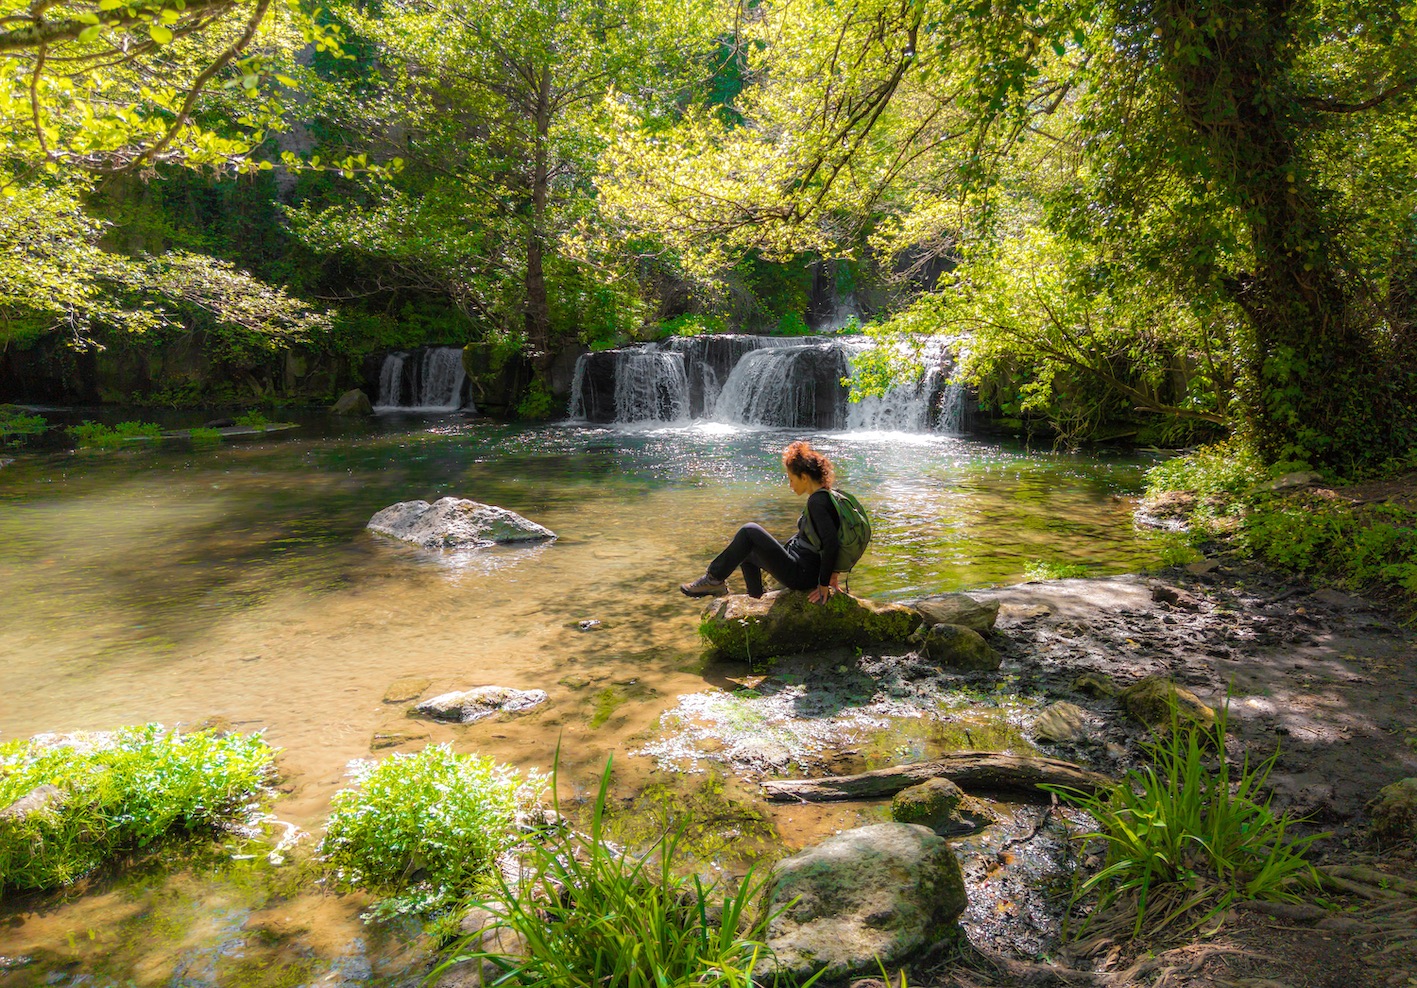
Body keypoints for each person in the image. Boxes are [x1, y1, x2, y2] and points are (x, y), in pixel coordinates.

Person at [680, 440, 843, 603]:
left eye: (791, 479)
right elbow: (832, 537)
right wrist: (833, 574)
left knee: (749, 531)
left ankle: (713, 579)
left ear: (804, 477)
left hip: (802, 574)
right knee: (746, 550)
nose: (790, 485)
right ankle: (756, 599)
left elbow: (832, 543)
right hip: (802, 566)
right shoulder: (826, 496)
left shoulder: (817, 503)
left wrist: (823, 583)